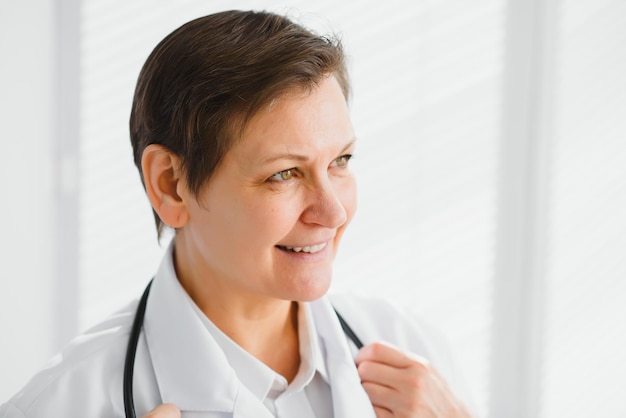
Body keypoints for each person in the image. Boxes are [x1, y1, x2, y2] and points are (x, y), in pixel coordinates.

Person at [1, 10, 476, 418]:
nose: (332, 213)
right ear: (171, 185)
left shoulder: (415, 353)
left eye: (341, 162)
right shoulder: (58, 405)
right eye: (284, 174)